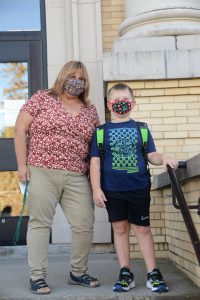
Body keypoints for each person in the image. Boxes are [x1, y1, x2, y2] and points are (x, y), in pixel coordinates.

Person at [14, 60, 100, 295]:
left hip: (77, 174)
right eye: (72, 76)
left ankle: (78, 272)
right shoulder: (42, 98)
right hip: (41, 169)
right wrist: (22, 165)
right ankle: (37, 276)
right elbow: (20, 129)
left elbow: (96, 147)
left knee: (84, 222)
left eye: (81, 79)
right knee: (40, 223)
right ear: (63, 76)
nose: (76, 82)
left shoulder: (90, 110)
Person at [90, 83, 178, 293]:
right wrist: (96, 189)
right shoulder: (101, 132)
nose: (121, 105)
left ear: (133, 104)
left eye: (125, 101)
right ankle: (125, 273)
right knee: (120, 230)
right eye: (116, 101)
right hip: (112, 189)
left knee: (142, 229)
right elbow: (95, 162)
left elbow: (151, 156)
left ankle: (153, 274)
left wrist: (164, 157)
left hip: (138, 188)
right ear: (109, 105)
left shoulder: (142, 129)